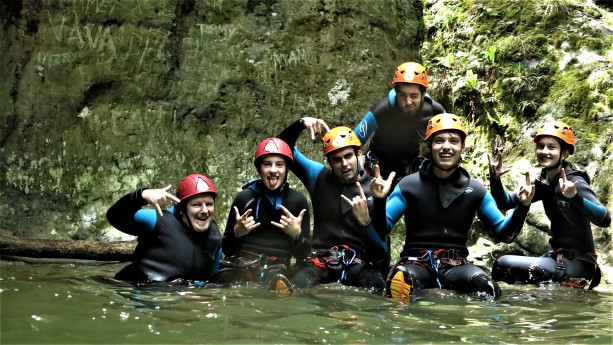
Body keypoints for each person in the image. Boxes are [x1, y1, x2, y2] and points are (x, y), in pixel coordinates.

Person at [370, 113, 535, 299]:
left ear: (462, 147)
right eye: (439, 140)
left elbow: (505, 233)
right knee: (400, 282)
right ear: (430, 146)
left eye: (453, 141)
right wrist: (379, 200)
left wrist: (522, 206)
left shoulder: (475, 189)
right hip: (416, 264)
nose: (446, 147)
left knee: (488, 288)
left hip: (456, 267)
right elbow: (383, 227)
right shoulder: (409, 185)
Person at [489, 121, 611, 289]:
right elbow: (505, 202)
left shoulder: (574, 181)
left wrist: (575, 197)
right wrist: (495, 180)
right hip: (558, 259)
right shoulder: (542, 182)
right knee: (508, 272)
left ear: (565, 153)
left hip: (579, 263)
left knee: (503, 264)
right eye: (540, 147)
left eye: (551, 147)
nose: (544, 151)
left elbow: (605, 219)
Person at [277, 118, 387, 292]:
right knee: (293, 286)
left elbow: (381, 249)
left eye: (348, 156)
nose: (344, 164)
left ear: (359, 154)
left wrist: (370, 213)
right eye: (337, 159)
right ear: (329, 162)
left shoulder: (375, 188)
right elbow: (281, 147)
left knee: (378, 287)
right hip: (321, 262)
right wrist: (300, 124)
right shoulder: (318, 177)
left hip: (358, 264)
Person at [220, 137, 311, 295]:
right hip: (244, 267)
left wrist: (297, 236)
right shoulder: (244, 199)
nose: (273, 170)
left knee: (302, 277)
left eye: (279, 164)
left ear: (287, 169)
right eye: (267, 164)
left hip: (278, 270)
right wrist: (237, 233)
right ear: (259, 169)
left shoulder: (297, 201)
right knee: (220, 278)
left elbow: (304, 256)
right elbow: (226, 249)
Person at [107, 174, 222, 284]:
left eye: (209, 204)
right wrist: (142, 195)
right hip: (141, 291)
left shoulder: (215, 236)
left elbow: (213, 283)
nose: (205, 211)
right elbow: (114, 216)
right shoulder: (158, 220)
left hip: (180, 298)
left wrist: (236, 236)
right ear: (182, 208)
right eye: (196, 205)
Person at [354, 62, 446, 182]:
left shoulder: (434, 111)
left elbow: (452, 139)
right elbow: (353, 141)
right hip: (379, 166)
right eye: (402, 95)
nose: (408, 102)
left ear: (423, 94)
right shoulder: (382, 110)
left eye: (414, 96)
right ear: (396, 93)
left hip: (411, 166)